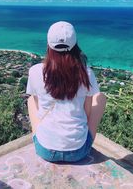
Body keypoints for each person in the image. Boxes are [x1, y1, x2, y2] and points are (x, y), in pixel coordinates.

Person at [26, 21, 106, 162]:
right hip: (78, 151)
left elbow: (39, 110)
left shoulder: (35, 71)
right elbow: (87, 114)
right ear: (75, 45)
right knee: (101, 97)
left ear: (49, 45)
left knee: (31, 100)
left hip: (44, 150)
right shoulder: (86, 73)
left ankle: (40, 136)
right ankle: (86, 139)